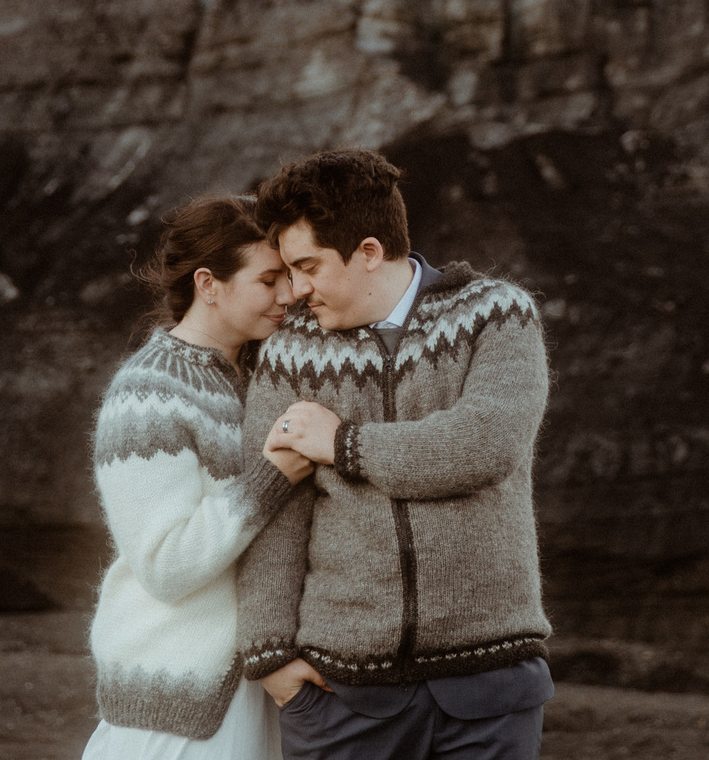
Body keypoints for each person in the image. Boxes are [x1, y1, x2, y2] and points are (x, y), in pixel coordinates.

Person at [236, 149, 554, 760]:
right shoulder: (289, 352)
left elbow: (482, 445)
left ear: (370, 251)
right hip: (340, 695)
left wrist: (340, 443)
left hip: (490, 687)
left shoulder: (497, 315)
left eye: (308, 267)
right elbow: (271, 502)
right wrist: (271, 653)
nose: (295, 291)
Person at [84, 194, 314, 760]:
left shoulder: (269, 372)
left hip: (265, 683)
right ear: (209, 284)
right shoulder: (147, 395)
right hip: (179, 697)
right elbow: (166, 563)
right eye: (268, 280)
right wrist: (271, 477)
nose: (289, 295)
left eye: (289, 276)